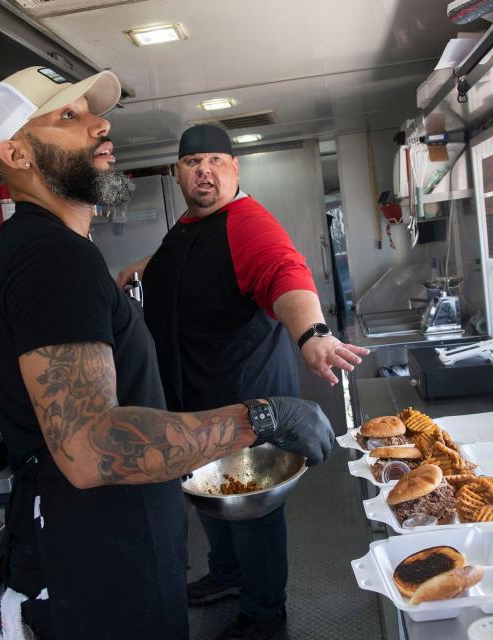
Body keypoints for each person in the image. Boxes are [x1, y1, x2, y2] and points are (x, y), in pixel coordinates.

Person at [0, 68, 335, 640]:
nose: (101, 125)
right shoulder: (53, 261)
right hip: (98, 570)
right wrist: (260, 417)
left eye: (92, 113)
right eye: (69, 116)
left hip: (102, 553)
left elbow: (284, 272)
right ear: (16, 153)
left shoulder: (56, 252)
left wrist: (312, 333)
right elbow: (90, 449)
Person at [117, 125, 369, 640]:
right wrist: (143, 268)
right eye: (191, 162)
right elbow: (193, 266)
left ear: (235, 169)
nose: (202, 171)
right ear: (177, 173)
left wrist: (313, 333)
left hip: (247, 403)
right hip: (195, 403)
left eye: (214, 161)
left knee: (250, 507)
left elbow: (284, 272)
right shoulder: (190, 224)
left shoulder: (248, 222)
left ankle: (264, 612)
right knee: (208, 493)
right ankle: (228, 577)